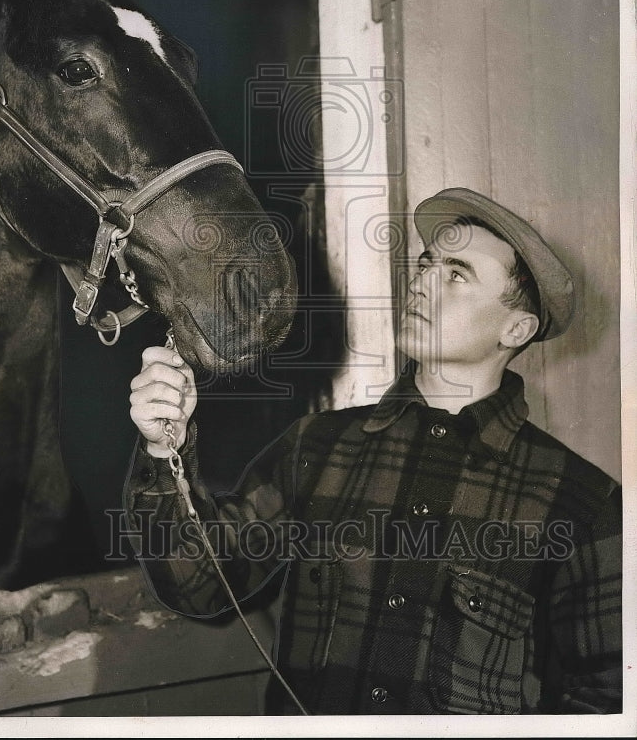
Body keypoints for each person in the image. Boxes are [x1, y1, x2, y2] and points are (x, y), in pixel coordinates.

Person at [122, 188, 622, 715]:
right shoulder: (316, 446)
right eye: (426, 264)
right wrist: (163, 447)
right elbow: (199, 586)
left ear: (515, 329)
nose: (422, 281)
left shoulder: (582, 502)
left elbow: (607, 698)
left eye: (456, 274)